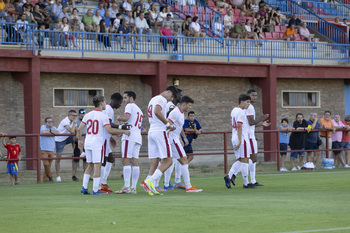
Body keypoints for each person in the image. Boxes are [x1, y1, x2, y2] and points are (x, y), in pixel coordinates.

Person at [78, 95, 130, 195]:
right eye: (105, 102)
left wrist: (80, 141)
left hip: (88, 142)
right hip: (97, 143)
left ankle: (84, 187)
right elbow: (109, 129)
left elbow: (80, 129)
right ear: (101, 104)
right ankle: (95, 190)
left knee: (90, 165)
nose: (106, 104)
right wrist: (123, 131)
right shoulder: (103, 116)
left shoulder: (88, 115)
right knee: (97, 166)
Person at [140, 86, 179, 195]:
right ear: (168, 92)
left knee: (154, 161)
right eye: (172, 96)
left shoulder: (153, 99)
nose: (171, 99)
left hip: (152, 131)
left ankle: (148, 185)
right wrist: (167, 124)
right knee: (168, 161)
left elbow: (155, 114)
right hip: (159, 132)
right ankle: (150, 181)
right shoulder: (162, 99)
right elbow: (157, 112)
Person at [167, 96, 202, 192]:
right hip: (172, 141)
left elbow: (179, 127)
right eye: (189, 105)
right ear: (184, 104)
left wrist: (182, 138)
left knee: (168, 162)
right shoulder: (175, 112)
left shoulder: (181, 113)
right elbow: (168, 125)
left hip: (175, 139)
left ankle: (152, 182)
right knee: (183, 161)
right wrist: (168, 138)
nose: (190, 107)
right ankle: (188, 186)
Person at [100, 93, 129, 193]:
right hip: (102, 138)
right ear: (115, 100)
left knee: (110, 159)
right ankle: (101, 185)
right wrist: (121, 127)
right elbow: (109, 123)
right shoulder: (108, 109)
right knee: (104, 160)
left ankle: (103, 183)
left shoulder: (109, 109)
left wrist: (111, 137)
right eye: (120, 102)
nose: (120, 105)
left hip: (105, 137)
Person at [224, 94, 255, 189]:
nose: (248, 104)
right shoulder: (241, 112)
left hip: (234, 136)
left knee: (241, 160)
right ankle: (246, 183)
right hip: (241, 137)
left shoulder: (234, 110)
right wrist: (240, 141)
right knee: (245, 159)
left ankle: (229, 176)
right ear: (242, 102)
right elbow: (239, 126)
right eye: (247, 102)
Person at [115, 91, 143, 194]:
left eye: (125, 98)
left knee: (125, 160)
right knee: (135, 161)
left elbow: (126, 118)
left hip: (129, 137)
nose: (124, 100)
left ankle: (126, 186)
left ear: (131, 98)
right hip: (137, 136)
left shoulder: (129, 106)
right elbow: (131, 123)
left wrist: (119, 118)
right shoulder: (139, 109)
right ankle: (133, 187)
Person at [246, 89, 269, 185]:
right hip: (249, 136)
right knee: (253, 158)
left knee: (251, 159)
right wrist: (261, 118)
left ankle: (253, 180)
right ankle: (231, 175)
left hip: (248, 134)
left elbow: (250, 124)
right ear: (248, 95)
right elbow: (251, 122)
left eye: (256, 95)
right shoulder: (250, 107)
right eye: (253, 95)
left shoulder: (245, 107)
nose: (255, 97)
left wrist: (261, 123)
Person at [54, 110, 77, 182]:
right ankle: (58, 176)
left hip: (67, 137)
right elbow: (71, 131)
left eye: (75, 116)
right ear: (69, 115)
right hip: (60, 140)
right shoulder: (65, 121)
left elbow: (76, 130)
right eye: (73, 115)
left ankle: (77, 152)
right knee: (58, 158)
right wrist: (74, 123)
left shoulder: (73, 122)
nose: (74, 117)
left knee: (76, 138)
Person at [40, 117, 59, 182]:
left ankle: (45, 179)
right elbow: (44, 132)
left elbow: (58, 133)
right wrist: (52, 132)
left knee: (48, 165)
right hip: (43, 149)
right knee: (46, 164)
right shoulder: (43, 126)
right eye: (49, 122)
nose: (51, 123)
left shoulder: (54, 128)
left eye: (52, 121)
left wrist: (50, 131)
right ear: (46, 123)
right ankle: (50, 177)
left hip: (51, 149)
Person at [72, 109, 86, 182]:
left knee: (86, 160)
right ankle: (74, 175)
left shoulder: (87, 119)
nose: (82, 116)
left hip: (86, 142)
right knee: (76, 159)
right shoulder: (76, 120)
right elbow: (77, 129)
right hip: (78, 142)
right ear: (79, 115)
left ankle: (87, 175)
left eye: (83, 115)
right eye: (81, 115)